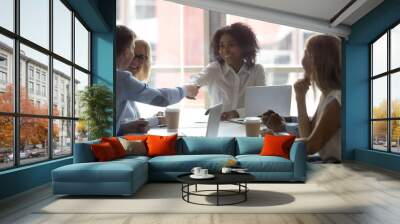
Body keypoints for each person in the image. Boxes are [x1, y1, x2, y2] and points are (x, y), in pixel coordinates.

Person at [116, 25, 199, 135]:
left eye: (142, 57)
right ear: (126, 52)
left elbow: (114, 125)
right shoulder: (122, 79)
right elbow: (162, 98)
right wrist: (186, 90)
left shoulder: (112, 76)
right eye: (132, 48)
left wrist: (125, 128)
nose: (133, 57)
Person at [191, 22, 266, 120]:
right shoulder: (214, 69)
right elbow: (195, 81)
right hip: (219, 128)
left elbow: (262, 106)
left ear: (243, 47)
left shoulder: (257, 71)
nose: (225, 50)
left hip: (247, 126)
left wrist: (236, 113)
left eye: (231, 45)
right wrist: (192, 87)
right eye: (222, 46)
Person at [294, 34, 341, 163]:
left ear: (320, 61)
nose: (302, 61)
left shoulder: (336, 99)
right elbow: (307, 135)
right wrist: (300, 97)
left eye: (307, 55)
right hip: (327, 163)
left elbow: (312, 146)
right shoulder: (326, 95)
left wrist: (274, 142)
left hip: (337, 167)